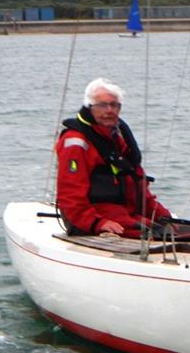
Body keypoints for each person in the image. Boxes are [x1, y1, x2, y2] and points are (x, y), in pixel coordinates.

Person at [55, 78, 171, 238]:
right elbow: (70, 194)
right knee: (150, 235)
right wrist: (97, 223)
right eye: (102, 105)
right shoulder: (75, 143)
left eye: (114, 105)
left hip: (123, 213)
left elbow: (136, 181)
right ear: (89, 107)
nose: (109, 110)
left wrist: (163, 216)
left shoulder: (117, 137)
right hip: (92, 218)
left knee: (172, 231)